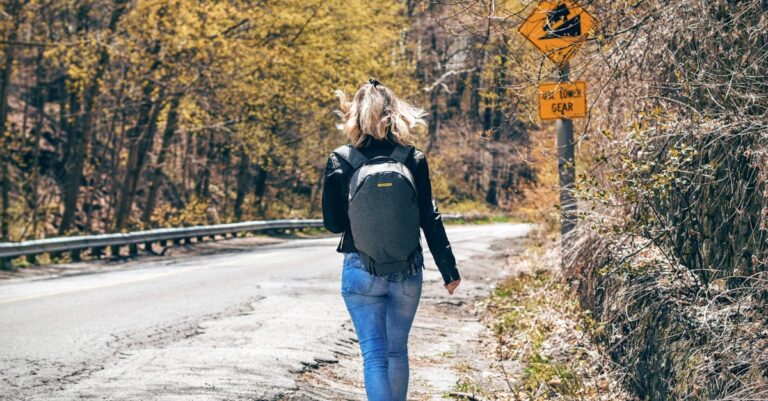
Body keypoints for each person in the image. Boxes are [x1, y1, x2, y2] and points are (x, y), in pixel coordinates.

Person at [322, 78, 461, 401]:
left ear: (353, 115)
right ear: (396, 114)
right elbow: (430, 218)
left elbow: (332, 224)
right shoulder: (413, 158)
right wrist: (448, 270)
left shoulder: (340, 160)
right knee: (397, 351)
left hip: (360, 267)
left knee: (374, 355)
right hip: (407, 268)